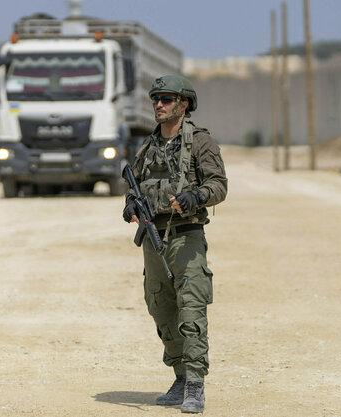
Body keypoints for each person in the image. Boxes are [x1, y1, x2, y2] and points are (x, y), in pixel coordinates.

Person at [123, 75, 227, 414]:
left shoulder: (201, 143)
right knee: (161, 307)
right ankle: (180, 377)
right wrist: (130, 205)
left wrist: (195, 195)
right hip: (153, 240)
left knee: (192, 307)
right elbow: (134, 184)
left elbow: (219, 186)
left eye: (166, 99)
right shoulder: (148, 147)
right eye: (156, 99)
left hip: (186, 237)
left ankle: (195, 385)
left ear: (183, 104)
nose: (159, 105)